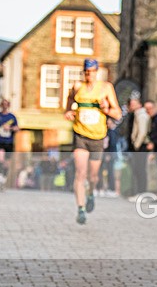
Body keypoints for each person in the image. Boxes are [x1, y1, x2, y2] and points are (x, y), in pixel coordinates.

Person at [64, 59, 122, 225]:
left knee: (93, 176)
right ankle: (80, 209)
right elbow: (69, 103)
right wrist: (68, 112)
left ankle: (90, 194)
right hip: (80, 135)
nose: (89, 75)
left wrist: (106, 109)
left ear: (97, 72)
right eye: (86, 72)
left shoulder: (106, 88)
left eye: (92, 72)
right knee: (80, 173)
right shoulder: (77, 87)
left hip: (97, 137)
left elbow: (117, 114)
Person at [0, 99, 19, 191]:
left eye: (6, 104)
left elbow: (17, 128)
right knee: (0, 158)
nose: (4, 106)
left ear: (8, 105)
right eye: (3, 104)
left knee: (7, 163)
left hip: (9, 142)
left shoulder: (12, 117)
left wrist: (9, 128)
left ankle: (3, 179)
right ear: (1, 105)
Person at [128, 97, 151, 198]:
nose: (132, 106)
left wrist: (136, 145)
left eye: (134, 104)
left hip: (141, 146)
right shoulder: (136, 114)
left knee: (140, 170)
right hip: (138, 145)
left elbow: (142, 132)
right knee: (137, 170)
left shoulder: (141, 115)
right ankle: (138, 192)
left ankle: (141, 193)